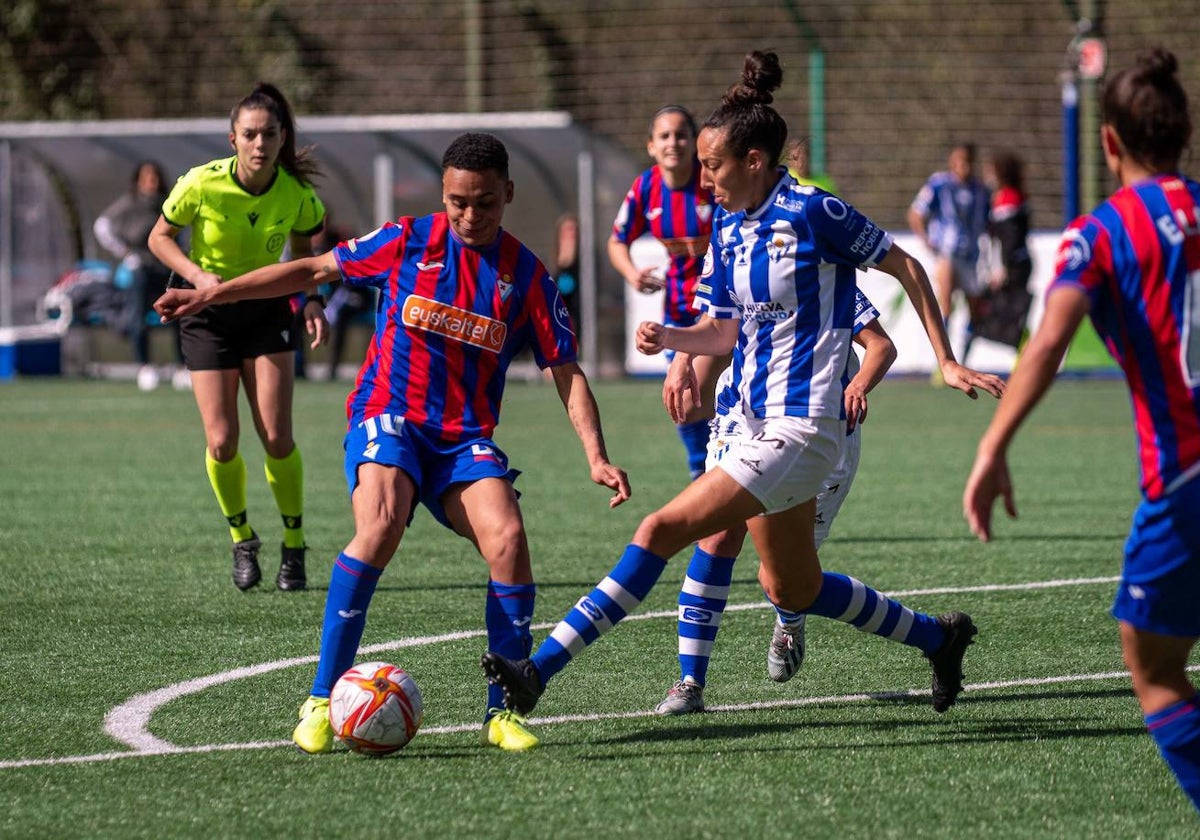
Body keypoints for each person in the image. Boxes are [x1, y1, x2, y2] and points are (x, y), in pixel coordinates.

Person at [483, 51, 1005, 733]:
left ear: (756, 160)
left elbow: (904, 263)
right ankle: (941, 639)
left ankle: (538, 672)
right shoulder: (727, 225)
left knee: (660, 529)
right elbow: (724, 333)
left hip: (801, 428)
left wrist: (948, 358)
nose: (701, 179)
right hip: (742, 421)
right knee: (794, 587)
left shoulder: (815, 212)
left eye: (712, 166)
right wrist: (673, 338)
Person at [155, 132, 632, 754]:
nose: (470, 214)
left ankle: (503, 713)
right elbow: (312, 268)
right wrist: (214, 292)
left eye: (485, 202)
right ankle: (323, 698)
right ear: (443, 193)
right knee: (379, 524)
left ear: (507, 194)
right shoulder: (408, 240)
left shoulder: (528, 276)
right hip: (389, 417)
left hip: (462, 440)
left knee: (509, 539)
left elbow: (565, 370)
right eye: (458, 200)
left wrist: (595, 455)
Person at [964, 48, 1200, 813]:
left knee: (1155, 663)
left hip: (1187, 479)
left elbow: (1047, 345)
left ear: (1108, 142)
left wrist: (992, 446)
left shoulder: (1099, 234)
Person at [654, 289, 896, 715]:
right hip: (744, 417)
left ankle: (790, 615)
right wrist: (680, 360)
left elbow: (880, 344)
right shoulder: (738, 255)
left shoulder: (821, 273)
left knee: (783, 577)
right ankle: (690, 682)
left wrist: (858, 385)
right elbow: (714, 326)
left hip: (816, 429)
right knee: (716, 536)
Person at [147, 82, 329, 592]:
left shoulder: (297, 195)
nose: (259, 143)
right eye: (249, 134)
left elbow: (305, 252)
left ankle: (294, 545)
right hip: (205, 315)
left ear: (281, 137)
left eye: (268, 134)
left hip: (265, 313)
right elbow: (158, 238)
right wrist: (197, 277)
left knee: (276, 436)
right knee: (222, 441)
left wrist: (311, 300)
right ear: (233, 139)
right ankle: (241, 537)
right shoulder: (200, 184)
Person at [609, 105, 724, 480]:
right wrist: (631, 274)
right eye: (664, 136)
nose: (673, 142)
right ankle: (704, 476)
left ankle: (718, 479)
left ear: (693, 143)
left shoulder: (711, 181)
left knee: (710, 399)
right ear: (651, 146)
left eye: (681, 135)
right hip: (678, 313)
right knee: (686, 402)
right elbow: (616, 241)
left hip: (723, 310)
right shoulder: (646, 187)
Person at [93, 160, 182, 391]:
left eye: (155, 176)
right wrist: (125, 252)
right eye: (146, 176)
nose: (151, 181)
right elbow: (102, 226)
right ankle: (145, 366)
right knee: (138, 314)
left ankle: (183, 367)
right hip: (142, 268)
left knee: (179, 312)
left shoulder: (168, 203)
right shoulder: (129, 204)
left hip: (166, 268)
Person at [907, 141, 992, 362]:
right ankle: (944, 361)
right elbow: (916, 213)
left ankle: (964, 357)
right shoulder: (939, 184)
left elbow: (988, 224)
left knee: (975, 310)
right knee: (946, 304)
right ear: (952, 162)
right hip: (948, 253)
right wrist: (926, 240)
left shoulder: (981, 190)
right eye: (959, 161)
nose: (964, 166)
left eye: (968, 162)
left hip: (972, 257)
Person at [973, 150, 1034, 349]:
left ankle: (1026, 352)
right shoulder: (1010, 196)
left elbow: (1010, 239)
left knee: (1006, 317)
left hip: (1013, 266)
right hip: (1019, 263)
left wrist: (1003, 268)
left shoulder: (1008, 199)